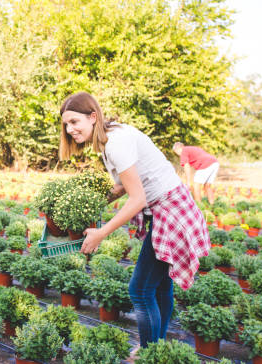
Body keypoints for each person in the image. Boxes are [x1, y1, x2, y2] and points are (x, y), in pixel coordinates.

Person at [59, 92, 210, 358]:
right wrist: (90, 205)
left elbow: (137, 198)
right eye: (66, 125)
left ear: (93, 117)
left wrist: (101, 233)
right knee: (161, 286)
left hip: (171, 210)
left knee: (139, 290)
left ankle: (150, 353)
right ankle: (157, 348)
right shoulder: (109, 138)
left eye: (74, 122)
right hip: (168, 207)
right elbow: (122, 186)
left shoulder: (116, 142)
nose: (70, 130)